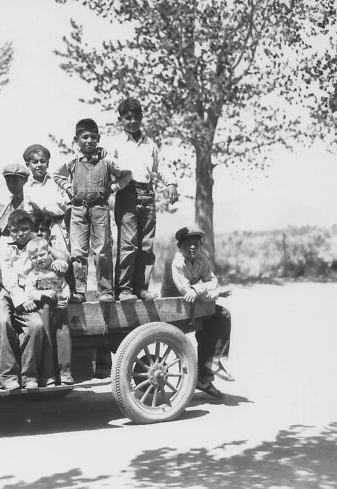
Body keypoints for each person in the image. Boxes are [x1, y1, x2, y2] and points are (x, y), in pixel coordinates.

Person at [53, 118, 132, 303]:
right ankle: (79, 291)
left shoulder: (107, 160)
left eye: (93, 137)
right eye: (84, 137)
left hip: (100, 208)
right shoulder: (72, 160)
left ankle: (105, 291)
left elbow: (126, 175)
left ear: (99, 138)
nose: (89, 141)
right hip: (78, 209)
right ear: (76, 139)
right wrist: (68, 188)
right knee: (78, 251)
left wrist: (112, 188)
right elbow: (56, 174)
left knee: (102, 249)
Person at [0, 210, 69, 390]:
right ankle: (7, 375)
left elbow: (63, 259)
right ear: (9, 230)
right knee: (2, 321)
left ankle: (29, 376)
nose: (20, 234)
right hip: (3, 289)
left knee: (36, 325)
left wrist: (57, 262)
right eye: (15, 230)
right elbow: (9, 278)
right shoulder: (4, 246)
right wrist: (22, 299)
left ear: (31, 229)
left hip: (26, 292)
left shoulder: (36, 245)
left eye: (24, 229)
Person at [110, 98, 178, 301]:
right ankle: (123, 289)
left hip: (147, 194)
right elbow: (108, 168)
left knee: (146, 245)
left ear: (142, 117)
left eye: (136, 117)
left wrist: (171, 183)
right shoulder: (115, 144)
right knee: (128, 244)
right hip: (127, 194)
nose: (132, 121)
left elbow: (160, 167)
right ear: (120, 119)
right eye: (127, 118)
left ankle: (141, 288)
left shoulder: (150, 144)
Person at [161, 226, 234, 398]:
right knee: (208, 319)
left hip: (193, 306)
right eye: (188, 243)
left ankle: (210, 369)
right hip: (173, 310)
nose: (193, 247)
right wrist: (211, 293)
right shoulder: (176, 261)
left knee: (222, 316)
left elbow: (212, 282)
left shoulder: (201, 258)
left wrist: (199, 289)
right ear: (180, 246)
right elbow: (186, 293)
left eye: (196, 243)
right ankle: (201, 375)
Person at [24, 237, 74, 385]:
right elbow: (29, 292)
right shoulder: (33, 276)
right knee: (47, 344)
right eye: (34, 257)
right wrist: (41, 294)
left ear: (49, 253)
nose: (39, 259)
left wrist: (65, 298)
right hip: (44, 313)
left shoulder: (56, 271)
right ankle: (48, 375)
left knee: (63, 341)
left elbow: (65, 287)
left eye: (42, 255)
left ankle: (65, 373)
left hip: (59, 313)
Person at [21, 144, 70, 249]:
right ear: (28, 164)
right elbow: (28, 211)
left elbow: (68, 203)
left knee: (64, 254)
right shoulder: (27, 187)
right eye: (34, 162)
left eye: (43, 161)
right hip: (41, 228)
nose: (39, 165)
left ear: (48, 163)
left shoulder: (57, 180)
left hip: (61, 225)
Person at [0, 162, 30, 239]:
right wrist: (0, 230)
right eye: (8, 181)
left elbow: (27, 229)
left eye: (15, 181)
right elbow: (16, 229)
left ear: (25, 180)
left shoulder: (29, 200)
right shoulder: (12, 200)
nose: (11, 185)